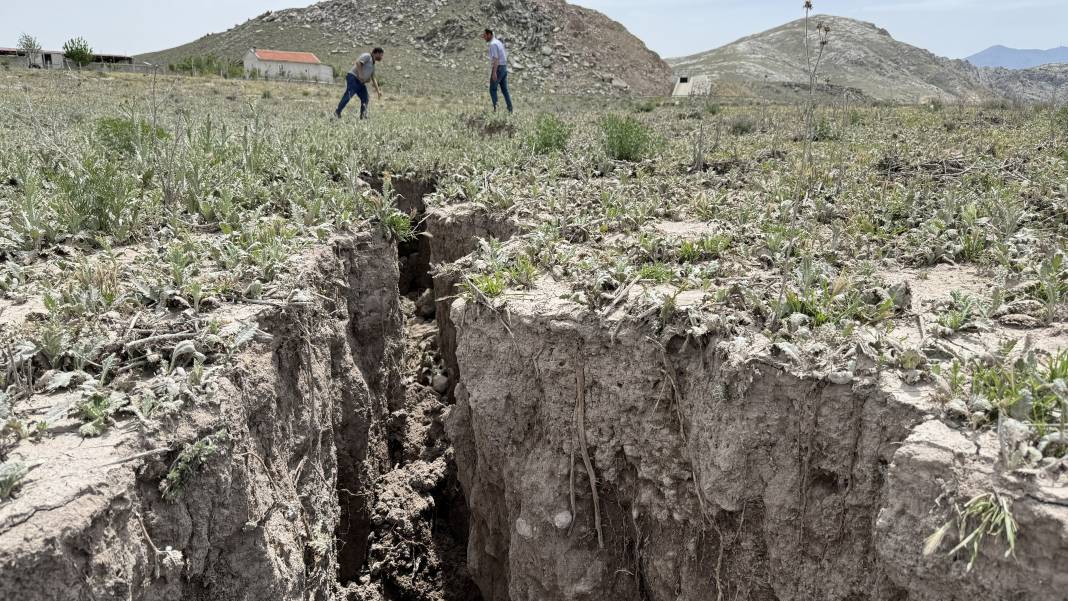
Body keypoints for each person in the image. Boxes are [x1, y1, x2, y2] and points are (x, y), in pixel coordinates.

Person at [336, 48, 384, 119]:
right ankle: (337, 113)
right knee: (348, 95)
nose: (382, 57)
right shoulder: (368, 56)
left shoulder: (373, 64)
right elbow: (358, 63)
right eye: (381, 55)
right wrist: (361, 75)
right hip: (353, 78)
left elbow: (373, 78)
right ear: (376, 53)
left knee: (365, 98)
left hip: (361, 82)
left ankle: (363, 116)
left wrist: (378, 91)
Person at [481, 29, 513, 113]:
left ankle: (496, 110)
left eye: (485, 36)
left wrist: (494, 72)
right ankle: (510, 110)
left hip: (498, 68)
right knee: (505, 90)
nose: (484, 38)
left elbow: (496, 59)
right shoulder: (498, 42)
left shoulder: (493, 44)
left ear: (489, 34)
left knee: (492, 89)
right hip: (504, 67)